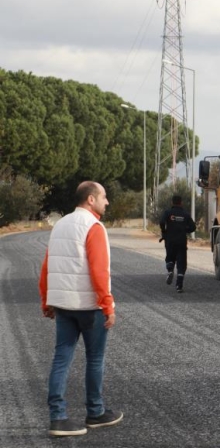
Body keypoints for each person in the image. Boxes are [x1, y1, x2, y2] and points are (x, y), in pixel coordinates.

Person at [39, 181, 123, 437]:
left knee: (61, 358)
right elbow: (99, 271)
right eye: (104, 197)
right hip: (89, 306)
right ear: (90, 199)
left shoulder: (60, 225)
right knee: (94, 358)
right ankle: (95, 412)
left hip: (63, 305)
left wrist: (46, 299)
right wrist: (107, 304)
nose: (106, 202)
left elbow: (47, 265)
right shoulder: (94, 227)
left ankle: (58, 417)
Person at [159, 195, 195, 293]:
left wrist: (164, 231)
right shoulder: (185, 214)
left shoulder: (168, 213)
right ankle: (179, 286)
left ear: (172, 202)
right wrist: (184, 230)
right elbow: (193, 227)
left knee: (170, 258)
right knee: (181, 263)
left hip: (170, 241)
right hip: (181, 242)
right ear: (181, 202)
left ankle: (170, 270)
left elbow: (162, 221)